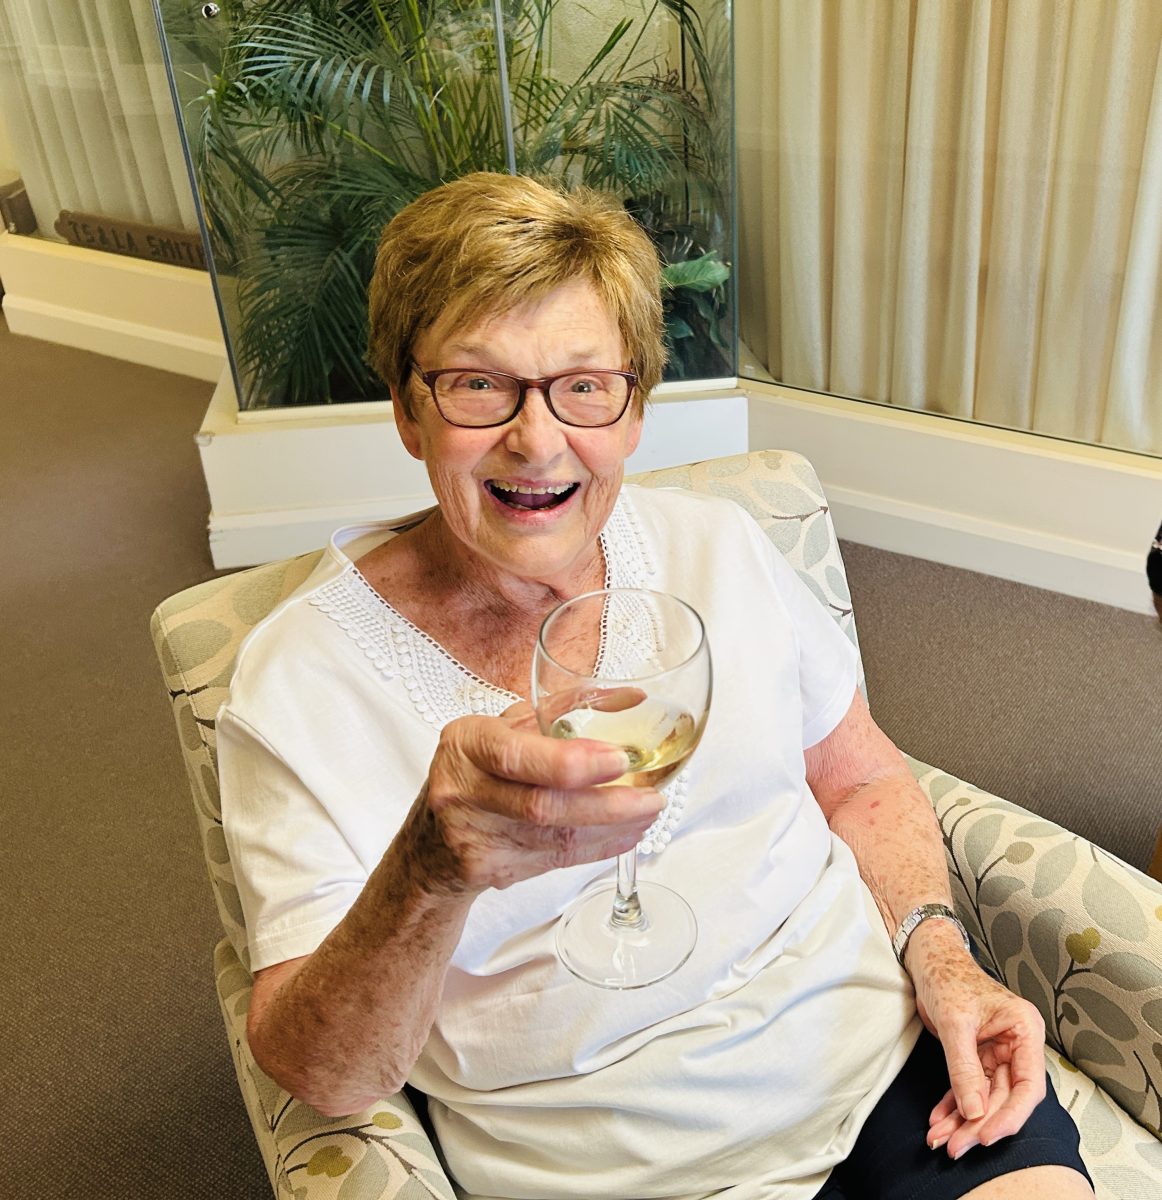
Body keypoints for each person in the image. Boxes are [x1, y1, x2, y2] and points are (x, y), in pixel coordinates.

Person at [218, 172, 1093, 1200]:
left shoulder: (718, 547)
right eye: (477, 384)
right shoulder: (298, 679)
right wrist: (431, 869)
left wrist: (943, 960)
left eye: (584, 386)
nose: (536, 440)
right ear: (409, 413)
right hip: (610, 1172)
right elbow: (323, 1074)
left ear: (633, 411)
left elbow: (857, 778)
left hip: (898, 1094)